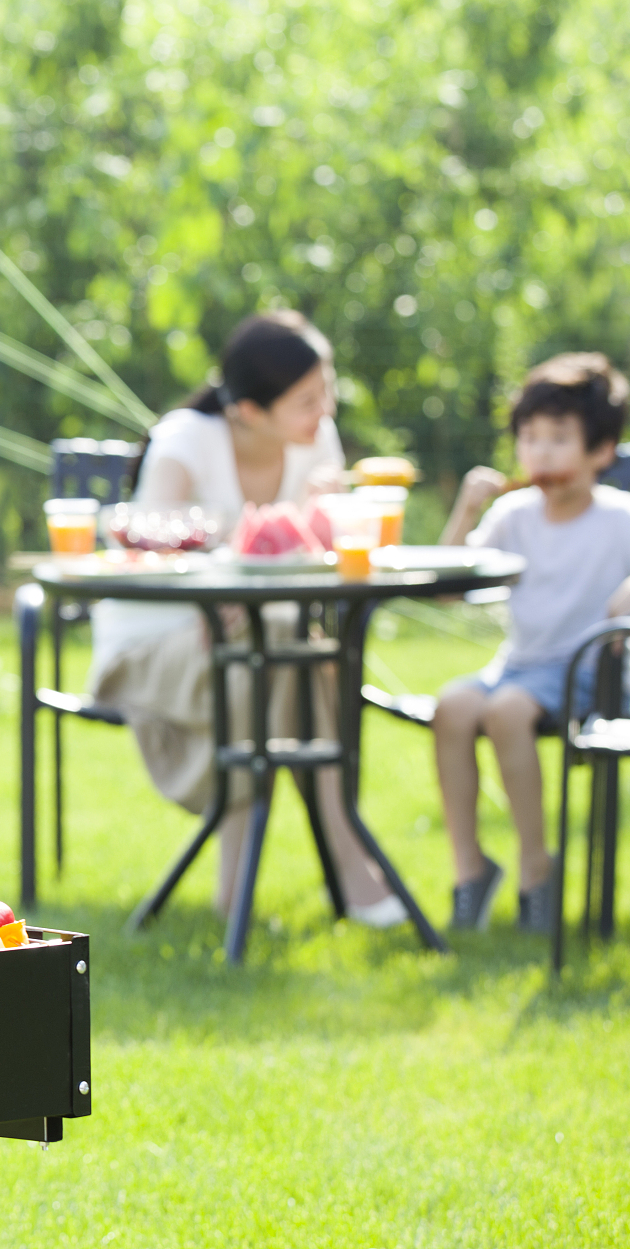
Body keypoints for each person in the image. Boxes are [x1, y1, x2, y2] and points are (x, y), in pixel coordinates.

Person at [89, 312, 405, 925]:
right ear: (251, 410)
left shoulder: (318, 442)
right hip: (155, 643)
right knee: (291, 656)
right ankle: (345, 851)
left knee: (283, 652)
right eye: (308, 399)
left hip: (259, 640)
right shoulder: (185, 442)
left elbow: (324, 549)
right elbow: (153, 557)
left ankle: (239, 893)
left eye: (328, 390)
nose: (326, 410)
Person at [431, 353, 630, 932]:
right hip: (518, 664)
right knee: (451, 707)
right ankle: (469, 868)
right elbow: (450, 587)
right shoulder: (512, 514)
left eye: (558, 438)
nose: (540, 452)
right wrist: (466, 509)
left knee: (504, 711)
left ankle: (536, 867)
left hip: (587, 671)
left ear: (601, 450)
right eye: (529, 438)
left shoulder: (621, 516)